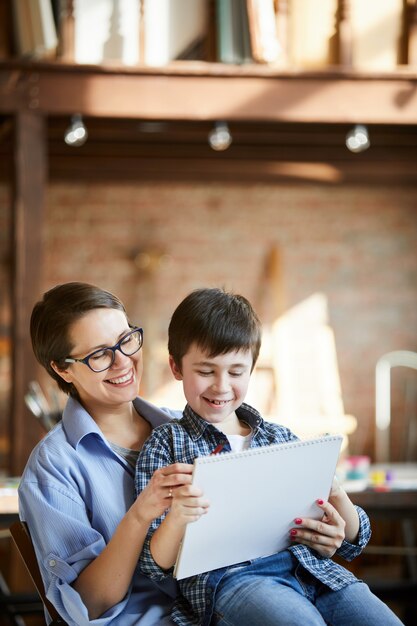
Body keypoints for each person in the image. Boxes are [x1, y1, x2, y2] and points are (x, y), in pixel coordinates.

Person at [135, 287, 404, 626]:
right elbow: (153, 564)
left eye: (236, 372)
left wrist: (335, 495)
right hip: (234, 581)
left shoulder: (281, 439)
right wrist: (177, 517)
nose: (221, 386)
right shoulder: (166, 444)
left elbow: (351, 544)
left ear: (251, 369)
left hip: (314, 573)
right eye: (206, 371)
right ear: (176, 367)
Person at [18, 282, 194, 626]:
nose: (123, 362)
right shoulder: (53, 467)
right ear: (62, 369)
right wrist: (139, 516)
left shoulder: (185, 427)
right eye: (99, 354)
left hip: (217, 607)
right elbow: (88, 605)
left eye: (126, 340)